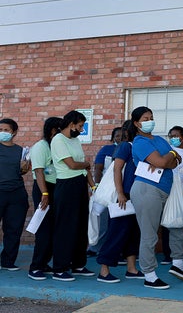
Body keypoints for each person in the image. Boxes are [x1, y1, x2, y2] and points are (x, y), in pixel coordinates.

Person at [128, 106, 183, 290]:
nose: (150, 121)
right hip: (147, 190)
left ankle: (178, 263)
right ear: (137, 123)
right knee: (149, 234)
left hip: (166, 189)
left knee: (178, 223)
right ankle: (150, 275)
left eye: (151, 117)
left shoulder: (160, 140)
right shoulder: (139, 142)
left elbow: (176, 159)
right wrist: (169, 156)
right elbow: (164, 161)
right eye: (145, 119)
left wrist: (168, 158)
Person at [95, 120, 144, 283]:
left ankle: (131, 268)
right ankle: (104, 270)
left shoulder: (140, 147)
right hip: (123, 196)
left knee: (132, 233)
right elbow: (117, 169)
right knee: (116, 232)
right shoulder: (125, 146)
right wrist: (121, 193)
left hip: (136, 195)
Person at [50, 111, 96, 281]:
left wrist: (93, 186)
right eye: (80, 125)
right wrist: (85, 164)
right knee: (65, 227)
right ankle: (60, 268)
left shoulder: (75, 140)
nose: (81, 129)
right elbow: (72, 164)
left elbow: (83, 167)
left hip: (79, 184)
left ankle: (78, 264)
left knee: (80, 226)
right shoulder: (58, 140)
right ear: (71, 124)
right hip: (66, 185)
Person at [27, 117, 63, 280]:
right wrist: (45, 194)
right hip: (44, 188)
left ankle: (45, 263)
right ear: (53, 130)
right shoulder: (40, 147)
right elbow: (39, 171)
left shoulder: (57, 145)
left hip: (57, 187)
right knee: (44, 228)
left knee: (54, 228)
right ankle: (35, 266)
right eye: (60, 130)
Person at [0, 118, 30, 271]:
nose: (2, 133)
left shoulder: (21, 151)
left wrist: (25, 167)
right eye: (1, 130)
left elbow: (24, 171)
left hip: (16, 193)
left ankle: (7, 261)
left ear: (14, 132)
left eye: (6, 130)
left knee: (13, 229)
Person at [160, 126, 183, 265]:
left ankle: (182, 252)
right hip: (173, 190)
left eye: (176, 135)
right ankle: (169, 254)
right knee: (171, 219)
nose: (173, 138)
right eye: (171, 136)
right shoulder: (169, 152)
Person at [88, 126, 122, 257]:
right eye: (117, 135)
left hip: (120, 190)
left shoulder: (127, 148)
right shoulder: (107, 150)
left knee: (116, 221)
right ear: (112, 138)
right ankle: (95, 247)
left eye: (122, 135)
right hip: (105, 189)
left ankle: (115, 249)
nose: (119, 138)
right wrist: (96, 186)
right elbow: (98, 168)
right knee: (102, 220)